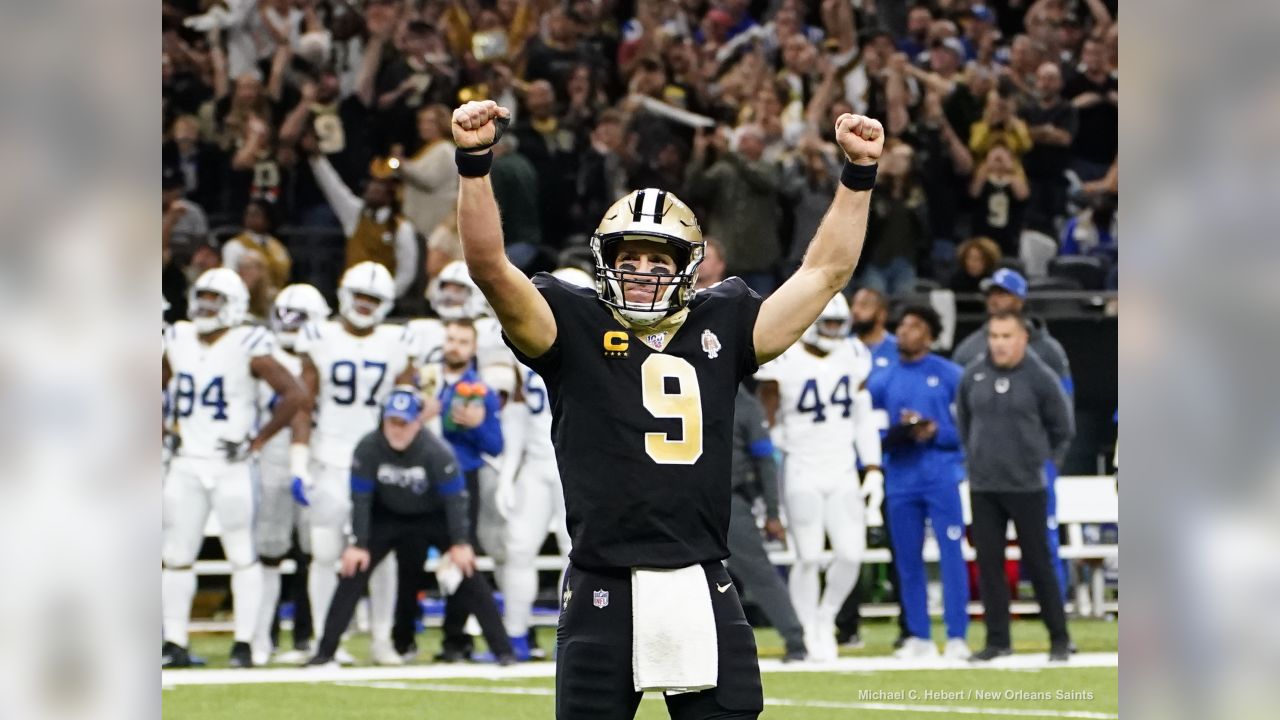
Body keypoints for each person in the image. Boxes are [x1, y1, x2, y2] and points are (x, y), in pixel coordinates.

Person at [450, 97, 883, 719]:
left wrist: (859, 175)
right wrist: (473, 162)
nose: (645, 274)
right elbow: (489, 267)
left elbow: (825, 273)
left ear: (688, 269)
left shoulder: (725, 319)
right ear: (605, 264)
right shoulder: (569, 322)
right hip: (605, 579)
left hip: (702, 577)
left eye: (661, 261)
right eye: (630, 260)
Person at [306, 388, 515, 667]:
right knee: (352, 569)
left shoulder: (437, 452)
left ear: (417, 422)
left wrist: (460, 542)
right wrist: (359, 542)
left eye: (404, 423)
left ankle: (505, 652)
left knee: (468, 570)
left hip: (432, 516)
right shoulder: (368, 448)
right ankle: (324, 653)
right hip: (387, 516)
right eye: (392, 422)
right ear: (383, 421)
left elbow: (456, 500)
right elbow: (361, 499)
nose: (398, 430)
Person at [162, 269, 307, 668]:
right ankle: (173, 642)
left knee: (242, 555)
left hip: (231, 464)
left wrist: (256, 441)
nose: (206, 305)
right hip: (188, 461)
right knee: (176, 556)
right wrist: (161, 429)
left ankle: (244, 643)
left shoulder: (249, 342)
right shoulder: (177, 337)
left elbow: (295, 393)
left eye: (215, 299)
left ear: (235, 306)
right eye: (203, 296)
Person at [289, 262, 419, 666]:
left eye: (374, 299)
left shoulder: (398, 340)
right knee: (326, 552)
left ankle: (382, 639)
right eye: (360, 296)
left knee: (384, 556)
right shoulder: (319, 337)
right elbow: (302, 404)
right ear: (344, 294)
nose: (364, 305)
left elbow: (407, 408)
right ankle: (328, 641)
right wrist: (298, 460)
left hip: (380, 461)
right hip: (329, 455)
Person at [755, 294, 883, 661]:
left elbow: (863, 417)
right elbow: (770, 422)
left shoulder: (854, 355)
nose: (833, 332)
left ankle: (825, 616)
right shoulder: (786, 356)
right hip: (801, 465)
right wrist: (773, 475)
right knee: (807, 556)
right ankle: (807, 625)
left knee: (851, 554)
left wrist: (872, 468)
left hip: (842, 466)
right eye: (827, 324)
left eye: (837, 325)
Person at [951, 267, 1075, 599]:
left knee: (1042, 542)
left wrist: (1050, 459)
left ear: (1020, 300)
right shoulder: (968, 350)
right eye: (992, 294)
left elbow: (1064, 412)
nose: (996, 300)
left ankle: (1056, 607)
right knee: (987, 549)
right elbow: (960, 412)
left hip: (1034, 466)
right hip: (986, 469)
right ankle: (996, 627)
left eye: (1003, 294)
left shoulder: (1048, 350)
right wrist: (971, 456)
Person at [956, 311, 1074, 662]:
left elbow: (1063, 426)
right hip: (983, 486)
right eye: (994, 336)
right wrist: (974, 458)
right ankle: (997, 641)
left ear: (1022, 339)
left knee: (1038, 563)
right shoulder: (973, 374)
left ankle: (1059, 639)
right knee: (989, 565)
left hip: (1026, 486)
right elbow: (964, 419)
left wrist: (1046, 461)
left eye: (1007, 336)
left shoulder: (1040, 377)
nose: (999, 343)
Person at [492, 269, 591, 661]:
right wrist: (507, 471)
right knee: (518, 548)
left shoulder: (604, 343)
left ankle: (579, 636)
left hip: (580, 466)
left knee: (580, 553)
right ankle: (515, 635)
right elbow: (517, 413)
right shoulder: (527, 340)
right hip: (536, 463)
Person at [868, 305, 970, 660]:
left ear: (929, 334)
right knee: (907, 560)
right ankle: (919, 636)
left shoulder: (951, 375)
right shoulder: (881, 380)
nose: (905, 331)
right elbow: (869, 432)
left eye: (914, 326)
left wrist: (936, 431)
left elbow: (969, 432)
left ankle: (957, 635)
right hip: (900, 479)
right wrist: (899, 432)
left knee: (951, 554)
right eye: (903, 325)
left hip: (942, 476)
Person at [251, 283, 330, 666]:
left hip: (317, 454)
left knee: (315, 552)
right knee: (268, 552)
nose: (288, 324)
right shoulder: (260, 354)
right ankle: (261, 635)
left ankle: (311, 636)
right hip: (272, 456)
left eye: (297, 317)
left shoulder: (323, 355)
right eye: (284, 314)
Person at [723, 385, 807, 663]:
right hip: (688, 498)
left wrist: (772, 512)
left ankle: (795, 640)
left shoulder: (742, 403)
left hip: (727, 500)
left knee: (758, 572)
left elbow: (765, 460)